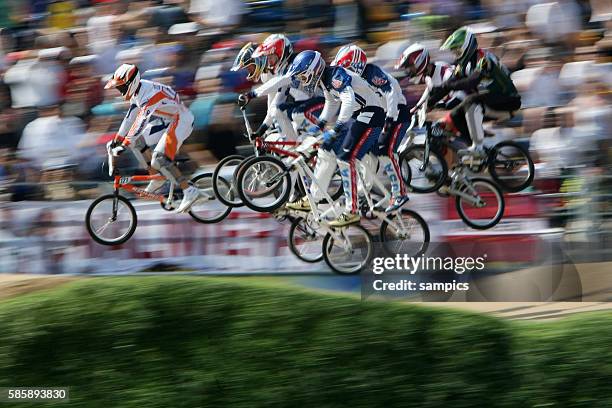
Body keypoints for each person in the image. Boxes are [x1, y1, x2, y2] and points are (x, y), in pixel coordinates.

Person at [284, 50, 387, 227]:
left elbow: (348, 100)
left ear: (312, 70)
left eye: (302, 77)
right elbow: (332, 103)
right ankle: (313, 198)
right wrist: (320, 124)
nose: (301, 81)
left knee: (345, 159)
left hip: (370, 115)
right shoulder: (325, 80)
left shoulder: (336, 74)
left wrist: (337, 126)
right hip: (358, 117)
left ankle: (352, 210)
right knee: (325, 150)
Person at [104, 63, 200, 213]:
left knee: (159, 159)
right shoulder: (138, 91)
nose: (120, 91)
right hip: (169, 120)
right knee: (136, 141)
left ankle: (188, 190)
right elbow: (130, 119)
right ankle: (155, 176)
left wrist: (124, 144)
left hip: (182, 120)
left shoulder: (149, 95)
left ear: (131, 83)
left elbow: (140, 122)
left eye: (121, 87)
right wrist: (117, 140)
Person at [331, 44, 409, 212]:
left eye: (345, 68)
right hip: (378, 115)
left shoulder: (371, 72)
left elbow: (390, 93)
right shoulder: (353, 80)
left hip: (396, 112)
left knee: (384, 151)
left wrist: (390, 118)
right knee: (363, 152)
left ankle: (400, 192)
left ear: (356, 65)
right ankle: (363, 191)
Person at [429, 27, 521, 159]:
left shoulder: (484, 59)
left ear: (467, 46)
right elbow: (447, 86)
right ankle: (477, 151)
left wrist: (449, 85)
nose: (456, 54)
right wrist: (429, 103)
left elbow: (472, 81)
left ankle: (477, 147)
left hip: (508, 99)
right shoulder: (463, 65)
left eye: (458, 50)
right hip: (490, 101)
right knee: (455, 115)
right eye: (454, 51)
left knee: (471, 101)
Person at [236, 35, 325, 140]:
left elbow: (281, 81)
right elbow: (275, 102)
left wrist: (251, 95)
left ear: (281, 53)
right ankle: (294, 149)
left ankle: (317, 140)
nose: (269, 61)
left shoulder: (294, 63)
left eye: (270, 57)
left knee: (298, 114)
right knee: (277, 111)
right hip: (309, 104)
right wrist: (262, 130)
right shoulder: (281, 70)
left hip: (321, 102)